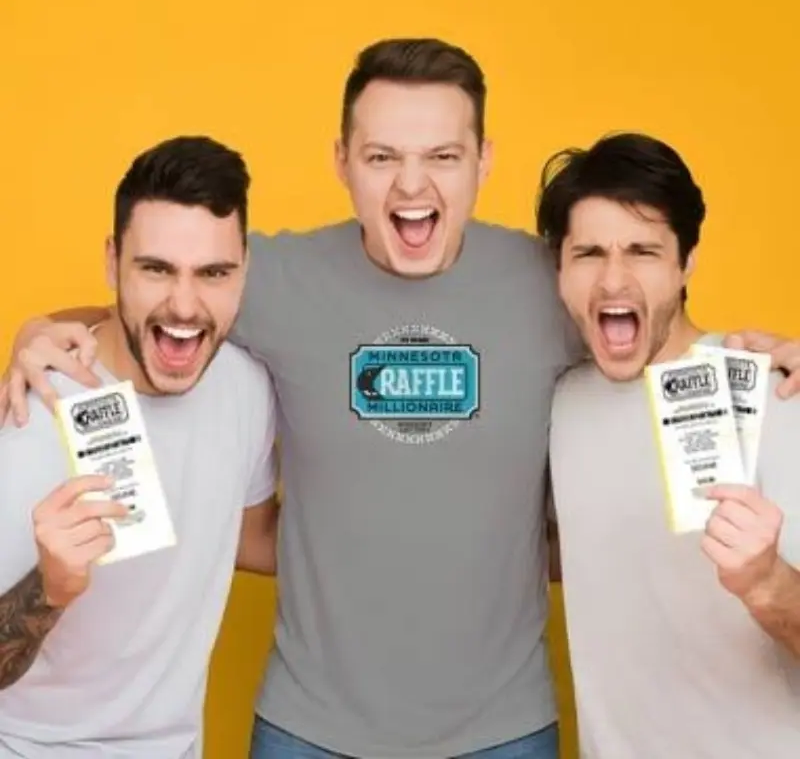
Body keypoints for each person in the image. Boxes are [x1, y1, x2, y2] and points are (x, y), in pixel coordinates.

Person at [2, 40, 800, 759]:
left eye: (442, 156)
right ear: (342, 159)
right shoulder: (270, 277)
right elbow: (164, 304)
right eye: (382, 155)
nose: (412, 185)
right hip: (306, 726)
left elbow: (651, 322)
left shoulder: (557, 281)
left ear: (482, 162)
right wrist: (42, 332)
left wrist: (759, 355)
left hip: (504, 729)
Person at [0, 135, 280, 758]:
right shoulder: (28, 415)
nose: (184, 304)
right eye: (155, 269)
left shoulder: (248, 387)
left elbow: (252, 536)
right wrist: (47, 591)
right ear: (112, 263)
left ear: (243, 273)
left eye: (213, 273)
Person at [540, 132, 800, 758]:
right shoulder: (558, 404)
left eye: (644, 251)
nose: (614, 279)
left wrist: (765, 581)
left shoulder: (777, 396)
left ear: (687, 263)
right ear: (558, 269)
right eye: (589, 253)